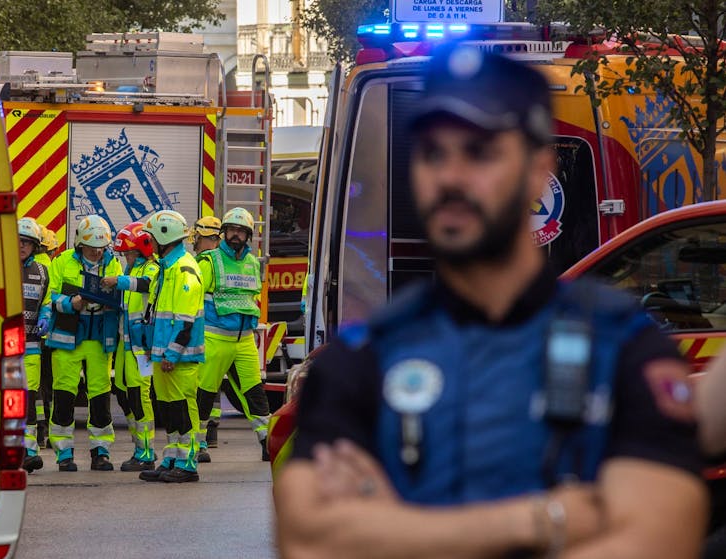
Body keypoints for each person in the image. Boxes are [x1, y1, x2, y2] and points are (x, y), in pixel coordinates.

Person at [274, 44, 708, 558]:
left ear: (537, 169)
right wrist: (544, 519)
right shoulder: (359, 362)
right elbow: (306, 540)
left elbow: (659, 537)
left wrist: (393, 529)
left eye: (479, 152)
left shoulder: (622, 349)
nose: (451, 176)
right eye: (434, 152)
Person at [40, 214, 123, 471]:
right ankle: (64, 454)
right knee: (64, 394)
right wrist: (72, 303)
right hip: (67, 337)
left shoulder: (113, 264)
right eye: (91, 247)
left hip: (99, 337)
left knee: (99, 395)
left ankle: (101, 451)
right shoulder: (63, 262)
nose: (97, 252)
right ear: (80, 244)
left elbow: (121, 298)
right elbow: (50, 297)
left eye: (101, 247)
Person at [196, 207, 271, 463]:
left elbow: (252, 297)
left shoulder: (252, 262)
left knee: (254, 391)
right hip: (214, 337)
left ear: (248, 235)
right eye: (232, 230)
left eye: (241, 231)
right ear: (223, 232)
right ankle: (197, 444)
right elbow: (194, 299)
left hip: (244, 339)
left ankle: (268, 441)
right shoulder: (209, 260)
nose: (236, 235)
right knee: (204, 393)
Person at [138, 210, 206, 483]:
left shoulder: (184, 269)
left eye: (152, 239)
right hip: (164, 354)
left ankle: (188, 464)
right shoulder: (167, 267)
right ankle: (172, 458)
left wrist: (171, 353)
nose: (150, 245)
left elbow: (186, 320)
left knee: (181, 407)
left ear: (165, 238)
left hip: (180, 355)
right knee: (168, 408)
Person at [101, 222, 161, 472]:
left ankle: (146, 452)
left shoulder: (153, 268)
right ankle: (139, 446)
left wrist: (119, 280)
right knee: (125, 394)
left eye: (129, 252)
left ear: (142, 250)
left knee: (140, 397)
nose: (126, 257)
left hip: (142, 346)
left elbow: (145, 284)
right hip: (127, 346)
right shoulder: (134, 267)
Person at [189, 215, 225, 451]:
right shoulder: (224, 261)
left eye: (197, 238)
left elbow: (194, 299)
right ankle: (210, 431)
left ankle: (200, 438)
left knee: (201, 387)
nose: (194, 242)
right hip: (225, 333)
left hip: (205, 331)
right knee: (213, 386)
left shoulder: (204, 263)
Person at [19, 218, 50, 474]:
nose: (21, 246)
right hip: (3, 349)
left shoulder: (42, 272)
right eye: (17, 241)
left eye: (26, 243)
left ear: (35, 246)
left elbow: (47, 303)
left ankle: (29, 451)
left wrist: (46, 316)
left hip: (31, 346)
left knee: (29, 399)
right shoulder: (1, 268)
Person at [35, 223, 58, 449]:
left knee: (36, 388)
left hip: (33, 336)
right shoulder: (53, 267)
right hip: (51, 337)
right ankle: (50, 433)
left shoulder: (27, 267)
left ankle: (39, 433)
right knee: (50, 386)